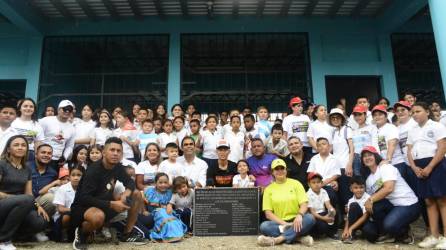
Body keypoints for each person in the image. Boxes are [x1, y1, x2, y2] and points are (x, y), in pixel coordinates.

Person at [70, 137, 146, 249]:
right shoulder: (93, 171)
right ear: (104, 153)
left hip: (105, 206)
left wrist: (127, 193)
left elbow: (130, 181)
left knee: (136, 194)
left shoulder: (117, 167)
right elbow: (84, 198)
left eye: (118, 151)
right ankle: (82, 232)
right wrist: (113, 204)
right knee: (98, 217)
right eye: (112, 150)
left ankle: (127, 233)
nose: (115, 153)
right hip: (84, 208)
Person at [406, 102, 446, 248]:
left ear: (427, 112)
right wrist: (414, 168)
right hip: (419, 166)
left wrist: (430, 167)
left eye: (418, 111)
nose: (415, 114)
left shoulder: (437, 126)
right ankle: (434, 235)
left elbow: (442, 147)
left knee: (442, 199)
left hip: (435, 163)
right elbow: (409, 151)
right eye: (413, 112)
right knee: (428, 201)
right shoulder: (412, 130)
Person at [361, 146, 420, 244]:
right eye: (364, 156)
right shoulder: (368, 180)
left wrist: (370, 199)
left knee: (389, 224)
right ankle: (389, 234)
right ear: (362, 160)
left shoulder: (386, 167)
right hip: (392, 206)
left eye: (370, 155)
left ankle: (404, 232)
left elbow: (389, 188)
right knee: (374, 208)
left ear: (376, 156)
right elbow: (372, 200)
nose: (367, 158)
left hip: (408, 204)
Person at [0, 135, 49, 249]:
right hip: (2, 205)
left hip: (20, 205)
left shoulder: (27, 168)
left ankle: (16, 236)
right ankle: (3, 240)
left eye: (23, 145)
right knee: (26, 200)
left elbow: (29, 194)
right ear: (8, 149)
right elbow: (27, 197)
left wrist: (37, 206)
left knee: (40, 221)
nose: (20, 147)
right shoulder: (2, 164)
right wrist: (16, 198)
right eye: (16, 145)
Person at [258, 159, 315, 247]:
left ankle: (278, 240)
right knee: (264, 226)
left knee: (310, 218)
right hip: (280, 222)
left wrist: (299, 215)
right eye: (277, 169)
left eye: (282, 168)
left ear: (286, 170)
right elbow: (268, 214)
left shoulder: (296, 183)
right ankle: (298, 238)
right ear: (272, 172)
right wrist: (285, 224)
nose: (280, 171)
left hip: (297, 220)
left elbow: (304, 203)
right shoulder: (268, 189)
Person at [143, 173, 187, 242]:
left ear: (168, 183)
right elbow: (142, 199)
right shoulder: (149, 191)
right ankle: (168, 235)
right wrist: (144, 210)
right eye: (160, 182)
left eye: (165, 182)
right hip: (155, 214)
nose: (163, 185)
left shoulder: (170, 193)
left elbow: (184, 189)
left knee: (170, 217)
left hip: (168, 212)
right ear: (155, 183)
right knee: (162, 214)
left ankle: (176, 234)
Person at [371, 105, 407, 181]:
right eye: (375, 115)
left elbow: (392, 144)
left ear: (386, 116)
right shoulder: (373, 130)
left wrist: (388, 159)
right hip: (382, 165)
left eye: (380, 114)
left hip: (396, 163)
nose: (377, 117)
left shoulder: (391, 127)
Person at [39, 100, 76, 172]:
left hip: (57, 161)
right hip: (42, 158)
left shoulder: (72, 128)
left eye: (70, 110)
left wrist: (64, 157)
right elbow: (37, 137)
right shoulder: (45, 120)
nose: (67, 111)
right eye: (65, 109)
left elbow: (70, 146)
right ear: (58, 110)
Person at [328, 108, 354, 210]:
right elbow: (331, 149)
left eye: (337, 117)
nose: (335, 119)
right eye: (333, 118)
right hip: (336, 168)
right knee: (339, 194)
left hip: (345, 166)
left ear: (342, 118)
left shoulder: (347, 129)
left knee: (346, 193)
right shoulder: (333, 132)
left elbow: (352, 149)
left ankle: (351, 218)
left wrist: (349, 164)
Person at [52, 166, 84, 242]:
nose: (76, 178)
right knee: (67, 216)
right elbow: (60, 209)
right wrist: (75, 210)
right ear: (69, 177)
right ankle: (65, 232)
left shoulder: (86, 189)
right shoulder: (63, 188)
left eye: (79, 175)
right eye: (73, 175)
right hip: (64, 216)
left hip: (80, 215)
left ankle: (84, 234)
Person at [307, 138, 341, 207]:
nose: (321, 146)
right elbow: (310, 173)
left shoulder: (334, 159)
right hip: (315, 185)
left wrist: (323, 183)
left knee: (331, 195)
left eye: (324, 144)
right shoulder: (314, 158)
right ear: (317, 148)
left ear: (329, 146)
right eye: (319, 145)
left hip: (329, 185)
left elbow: (336, 174)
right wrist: (317, 184)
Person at [306, 172, 337, 238]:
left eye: (318, 182)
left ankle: (332, 232)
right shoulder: (308, 194)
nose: (316, 184)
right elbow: (312, 212)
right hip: (315, 216)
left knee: (335, 214)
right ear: (309, 184)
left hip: (323, 212)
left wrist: (332, 211)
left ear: (321, 183)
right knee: (322, 226)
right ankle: (316, 233)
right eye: (313, 183)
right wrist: (324, 218)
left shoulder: (323, 191)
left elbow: (328, 205)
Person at [31, 144, 58, 217]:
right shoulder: (26, 167)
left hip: (40, 201)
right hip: (26, 199)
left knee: (52, 197)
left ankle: (43, 221)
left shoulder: (53, 173)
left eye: (49, 153)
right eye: (43, 152)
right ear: (36, 155)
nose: (46, 155)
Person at [350, 105, 378, 177]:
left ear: (365, 115)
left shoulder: (372, 128)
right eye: (355, 115)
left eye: (360, 114)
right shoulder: (353, 131)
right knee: (360, 182)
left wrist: (376, 157)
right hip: (356, 159)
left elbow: (375, 143)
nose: (357, 117)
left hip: (369, 157)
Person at [342, 176, 370, 244]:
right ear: (351, 189)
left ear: (365, 188)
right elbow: (348, 217)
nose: (359, 190)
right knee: (353, 205)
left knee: (370, 233)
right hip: (354, 222)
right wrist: (345, 229)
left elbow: (365, 217)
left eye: (361, 187)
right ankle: (351, 235)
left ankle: (353, 231)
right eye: (356, 188)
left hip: (365, 221)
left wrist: (350, 228)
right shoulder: (350, 200)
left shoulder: (368, 198)